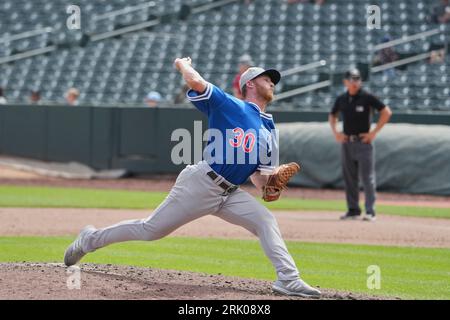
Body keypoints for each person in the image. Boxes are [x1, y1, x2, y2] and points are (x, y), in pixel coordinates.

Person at [64, 57, 321, 298]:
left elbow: (259, 179)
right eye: (266, 78)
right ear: (250, 84)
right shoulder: (231, 105)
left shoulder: (269, 128)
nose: (272, 82)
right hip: (202, 182)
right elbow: (197, 82)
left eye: (273, 80)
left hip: (229, 193)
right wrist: (182, 64)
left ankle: (287, 278)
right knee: (151, 230)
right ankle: (89, 239)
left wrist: (271, 187)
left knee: (265, 220)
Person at [328, 68, 392, 222]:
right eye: (351, 79)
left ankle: (370, 211)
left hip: (364, 143)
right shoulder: (342, 98)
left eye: (357, 79)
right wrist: (336, 132)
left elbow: (386, 112)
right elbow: (332, 114)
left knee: (367, 178)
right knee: (350, 178)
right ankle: (353, 210)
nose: (354, 82)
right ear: (345, 82)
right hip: (347, 142)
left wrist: (374, 132)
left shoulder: (367, 97)